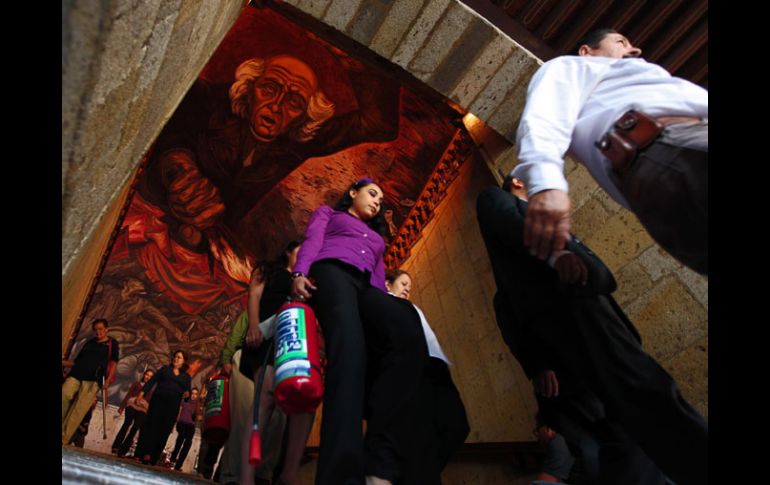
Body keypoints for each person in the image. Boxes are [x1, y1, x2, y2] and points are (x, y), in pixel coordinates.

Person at [476, 176, 707, 485]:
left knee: (627, 429)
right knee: (648, 401)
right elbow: (512, 313)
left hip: (597, 323)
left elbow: (598, 274)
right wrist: (537, 364)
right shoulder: (497, 201)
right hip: (575, 327)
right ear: (518, 180)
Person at [512, 28, 707, 274]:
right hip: (663, 147)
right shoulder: (572, 67)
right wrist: (545, 183)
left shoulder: (649, 76)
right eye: (621, 42)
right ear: (586, 52)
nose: (634, 49)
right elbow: (545, 115)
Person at [291, 178, 428, 485]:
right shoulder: (329, 214)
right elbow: (313, 240)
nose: (378, 201)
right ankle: (340, 476)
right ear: (353, 193)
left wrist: (384, 311)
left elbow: (378, 280)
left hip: (365, 288)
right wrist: (301, 272)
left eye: (381, 199)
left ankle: (381, 465)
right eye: (372, 193)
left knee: (405, 327)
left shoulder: (378, 240)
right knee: (350, 357)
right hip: (332, 273)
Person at [383, 269, 469, 485]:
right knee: (432, 433)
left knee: (456, 426)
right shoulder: (385, 304)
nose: (407, 289)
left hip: (435, 365)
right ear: (387, 284)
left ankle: (414, 476)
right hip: (415, 368)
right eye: (403, 283)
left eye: (409, 287)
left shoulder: (410, 307)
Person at [62, 318, 119, 445]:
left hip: (94, 379)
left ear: (106, 329)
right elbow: (76, 362)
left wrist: (108, 381)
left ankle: (64, 439)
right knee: (64, 394)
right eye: (95, 329)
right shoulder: (90, 343)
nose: (98, 332)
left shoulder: (112, 343)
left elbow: (114, 363)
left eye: (100, 329)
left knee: (79, 410)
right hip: (76, 374)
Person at [134, 350, 192, 465]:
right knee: (152, 427)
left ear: (184, 361)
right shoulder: (165, 369)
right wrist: (141, 394)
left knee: (164, 431)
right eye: (175, 357)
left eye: (179, 357)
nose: (176, 359)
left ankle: (154, 457)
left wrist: (187, 394)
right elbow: (151, 381)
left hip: (172, 407)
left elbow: (188, 393)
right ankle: (146, 453)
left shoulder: (186, 377)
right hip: (157, 403)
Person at [112, 369, 155, 456]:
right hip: (132, 404)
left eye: (151, 376)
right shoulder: (137, 384)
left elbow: (151, 402)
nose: (148, 377)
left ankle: (123, 451)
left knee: (134, 429)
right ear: (144, 375)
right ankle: (116, 447)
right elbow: (129, 394)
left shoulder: (152, 389)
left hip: (143, 409)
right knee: (126, 424)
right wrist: (122, 407)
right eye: (147, 375)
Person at [170, 387, 200, 470]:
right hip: (181, 423)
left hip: (190, 426)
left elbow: (197, 417)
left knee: (188, 443)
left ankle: (178, 465)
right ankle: (173, 458)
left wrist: (197, 407)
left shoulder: (197, 405)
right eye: (192, 393)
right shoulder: (184, 402)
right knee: (181, 437)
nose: (194, 395)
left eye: (196, 394)